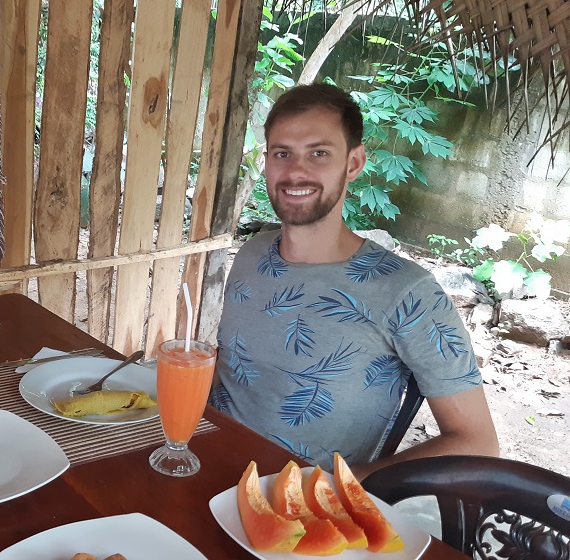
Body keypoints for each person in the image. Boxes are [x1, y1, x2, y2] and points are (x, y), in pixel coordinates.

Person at [211, 83, 499, 479]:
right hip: (201, 461)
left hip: (302, 504)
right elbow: (229, 372)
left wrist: (344, 486)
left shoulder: (407, 293)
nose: (295, 171)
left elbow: (478, 443)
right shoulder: (252, 252)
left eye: (319, 153)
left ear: (353, 163)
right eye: (282, 153)